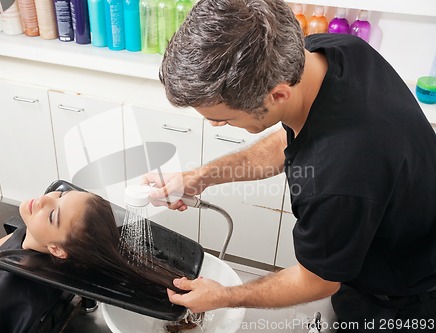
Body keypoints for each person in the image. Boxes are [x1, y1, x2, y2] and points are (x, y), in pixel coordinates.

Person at [144, 0, 436, 331]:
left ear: (278, 95)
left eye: (223, 119)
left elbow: (317, 282)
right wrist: (201, 177)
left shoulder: (339, 177)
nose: (215, 126)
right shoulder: (328, 52)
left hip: (406, 298)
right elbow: (293, 140)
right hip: (389, 238)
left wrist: (225, 295)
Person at [0, 184, 183, 332]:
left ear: (56, 250)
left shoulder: (4, 293)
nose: (44, 198)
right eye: (62, 196)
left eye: (54, 215)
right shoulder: (43, 237)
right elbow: (23, 234)